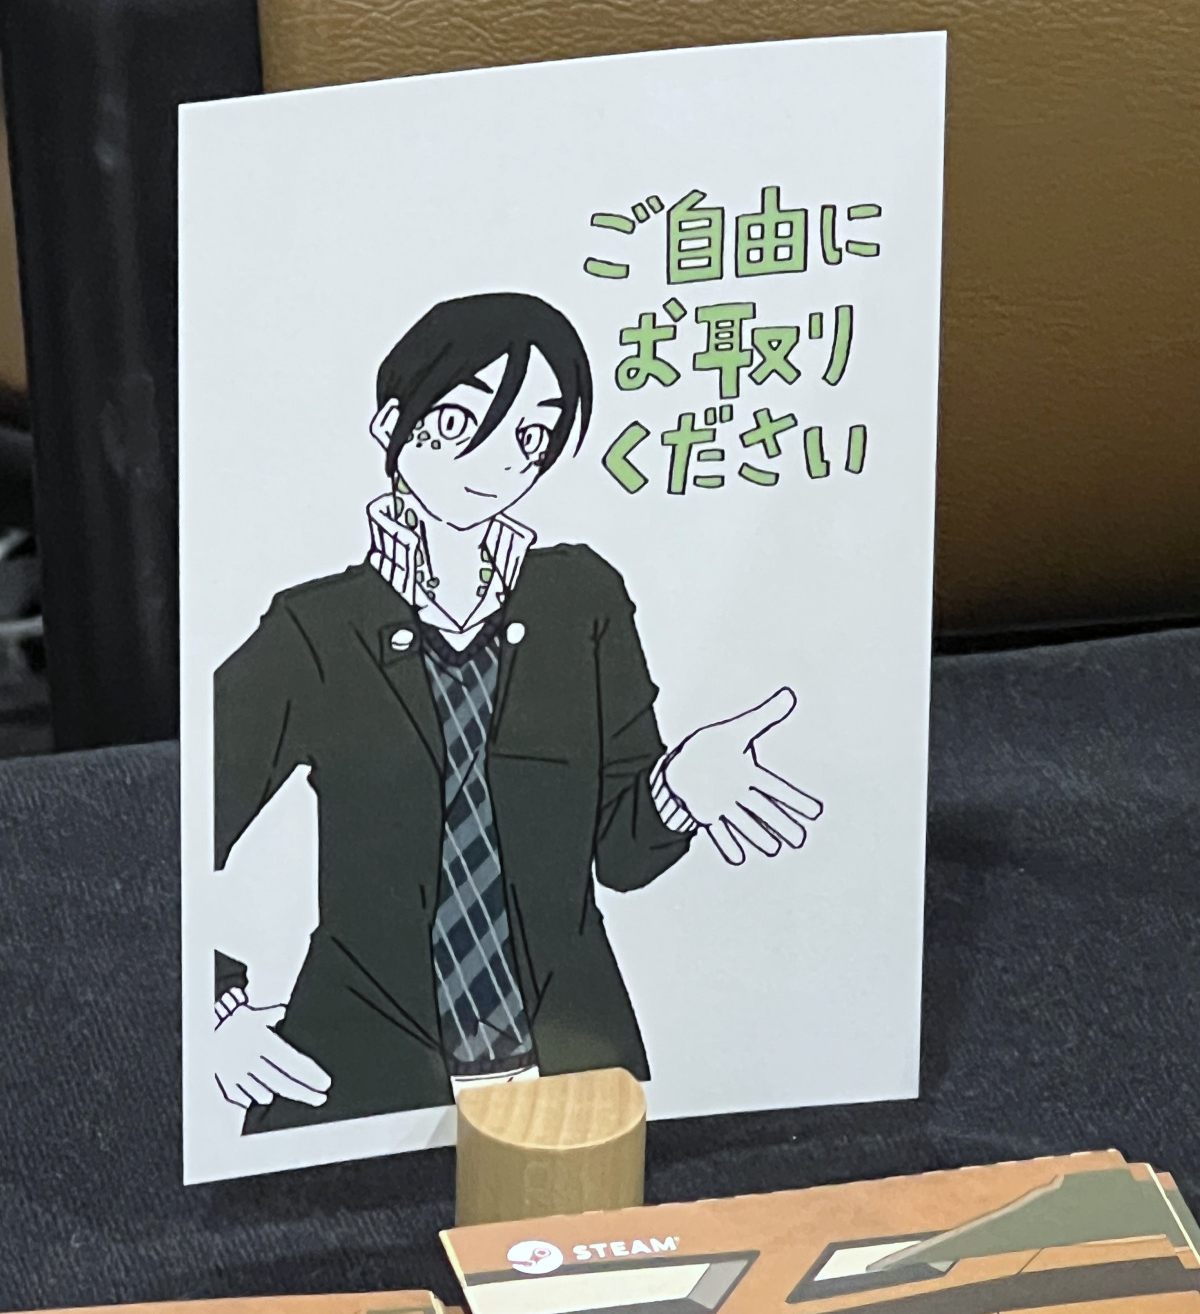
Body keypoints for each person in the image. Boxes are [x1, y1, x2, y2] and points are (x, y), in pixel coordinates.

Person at [212, 293, 822, 1130]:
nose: (499, 461)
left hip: (570, 1065)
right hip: (362, 1076)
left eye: (532, 435)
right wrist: (213, 1007)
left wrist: (678, 790)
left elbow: (620, 854)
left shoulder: (580, 598)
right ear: (390, 424)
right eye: (461, 422)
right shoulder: (314, 630)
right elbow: (174, 830)